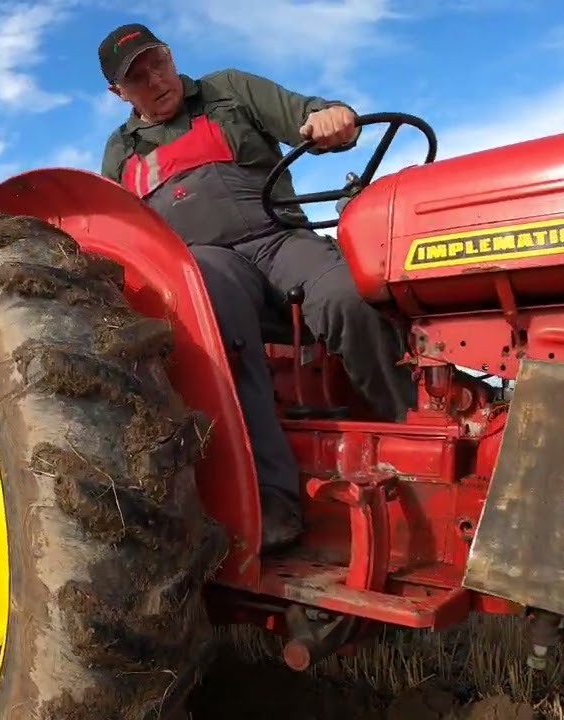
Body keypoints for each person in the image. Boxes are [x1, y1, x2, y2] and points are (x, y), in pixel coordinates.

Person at [97, 24, 417, 552]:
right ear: (119, 93)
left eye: (157, 63)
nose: (156, 80)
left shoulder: (228, 90)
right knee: (217, 318)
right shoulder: (121, 153)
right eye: (137, 77)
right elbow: (119, 232)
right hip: (209, 266)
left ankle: (407, 433)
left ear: (170, 55)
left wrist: (328, 117)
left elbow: (306, 113)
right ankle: (272, 498)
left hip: (279, 239)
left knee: (345, 294)